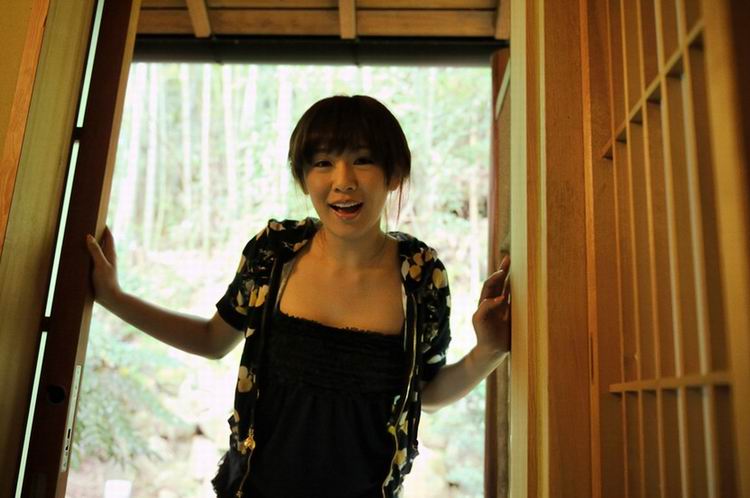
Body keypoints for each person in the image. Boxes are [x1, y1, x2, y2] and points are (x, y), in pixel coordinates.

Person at [86, 95, 511, 498]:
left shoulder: (420, 275)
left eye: (363, 160)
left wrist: (489, 350)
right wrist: (113, 297)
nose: (343, 181)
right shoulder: (275, 253)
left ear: (394, 173)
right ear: (304, 178)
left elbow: (427, 393)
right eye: (323, 162)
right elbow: (212, 340)